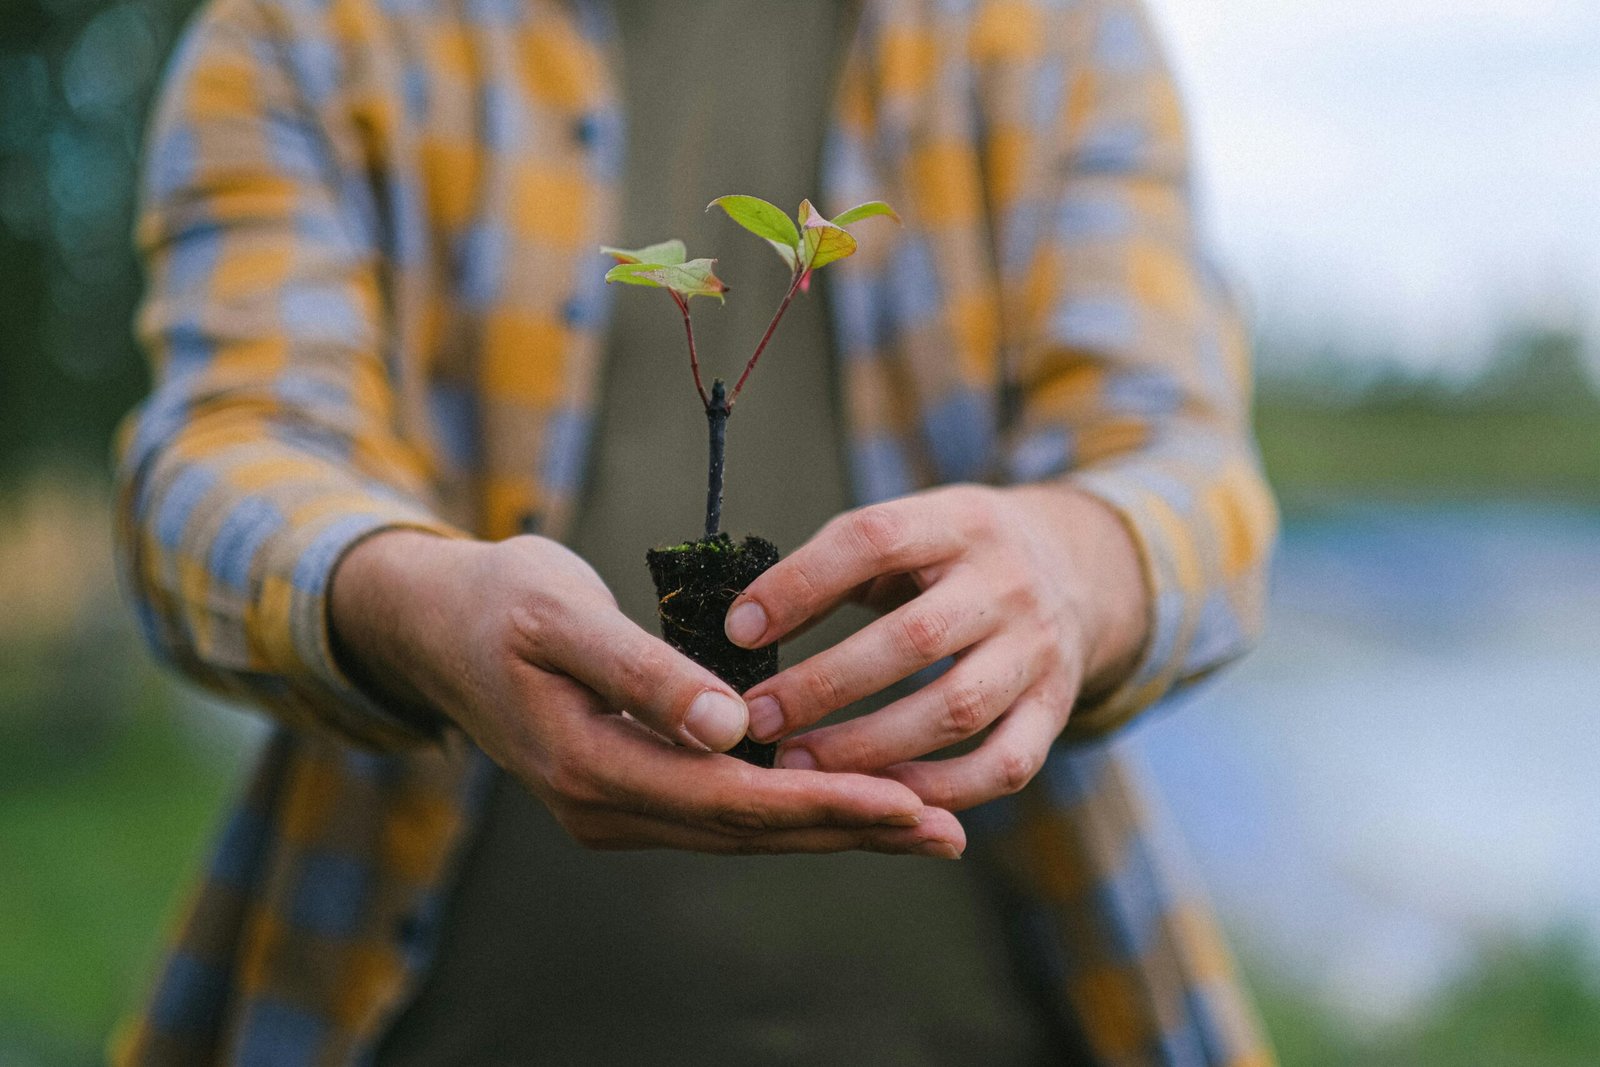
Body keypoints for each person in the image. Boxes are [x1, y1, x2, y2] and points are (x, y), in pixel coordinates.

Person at [112, 0, 1278, 1062]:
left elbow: (1187, 466)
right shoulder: (315, 26)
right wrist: (404, 602)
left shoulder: (1044, 28)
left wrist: (1073, 562)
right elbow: (221, 456)